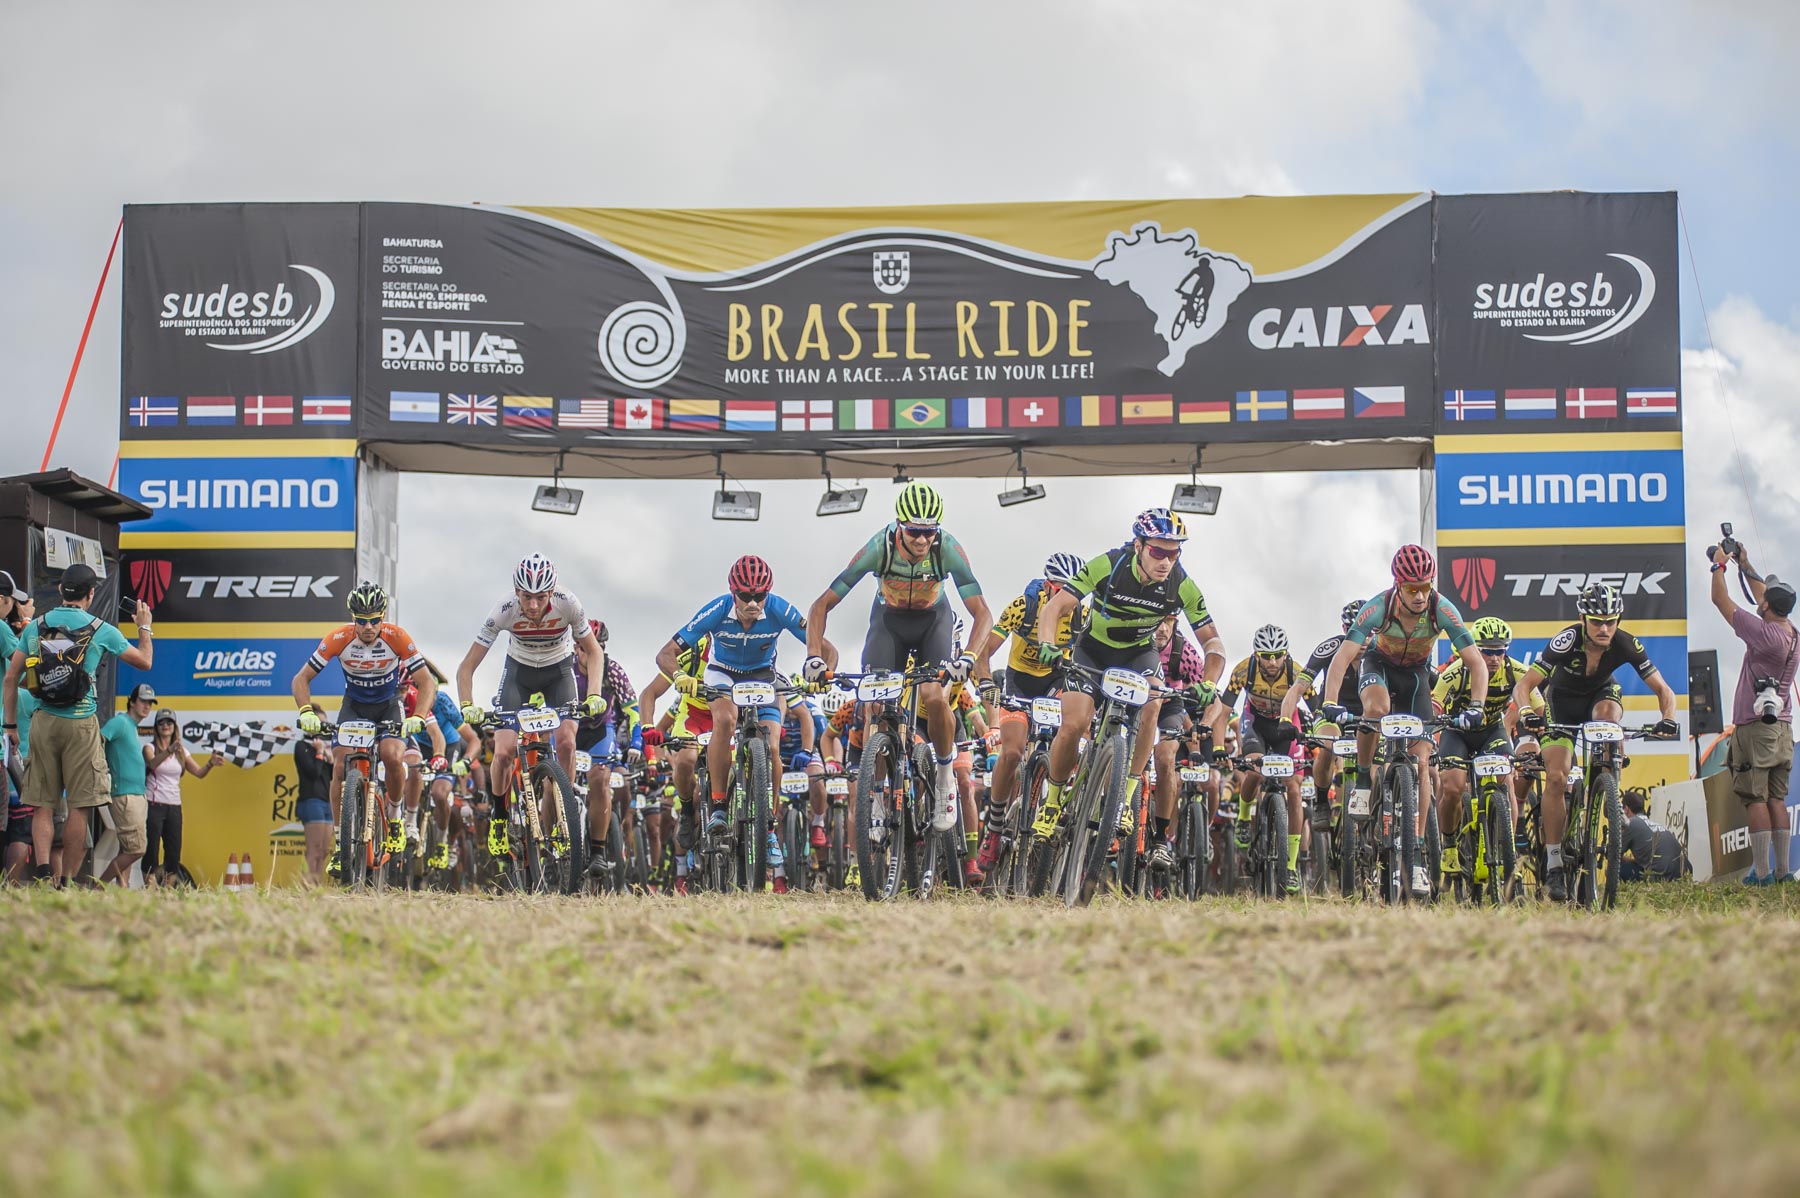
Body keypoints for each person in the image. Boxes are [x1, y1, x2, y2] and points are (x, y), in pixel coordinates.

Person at [806, 482, 993, 834]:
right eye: (914, 532)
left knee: (934, 696)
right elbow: (821, 605)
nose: (922, 541)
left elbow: (983, 614)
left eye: (928, 532)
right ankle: (876, 798)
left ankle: (942, 776)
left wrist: (967, 657)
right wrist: (814, 657)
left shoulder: (947, 549)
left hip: (931, 623)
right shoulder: (878, 547)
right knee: (876, 705)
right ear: (898, 526)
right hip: (888, 624)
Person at [1033, 509, 1226, 842]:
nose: (1166, 561)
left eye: (1174, 552)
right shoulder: (1107, 565)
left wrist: (1209, 681)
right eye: (1158, 551)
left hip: (1138, 653)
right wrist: (1047, 643)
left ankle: (1124, 799)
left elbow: (1213, 642)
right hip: (1093, 650)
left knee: (1153, 700)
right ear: (1138, 546)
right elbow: (1055, 608)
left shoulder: (1181, 584)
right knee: (1075, 724)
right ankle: (1052, 802)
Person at [1319, 544, 1488, 898]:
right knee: (1376, 710)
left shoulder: (1442, 608)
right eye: (1412, 588)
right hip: (1379, 666)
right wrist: (1329, 704)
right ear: (1398, 585)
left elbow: (1476, 663)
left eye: (1425, 586)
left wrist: (1476, 706)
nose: (1420, 595)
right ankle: (1364, 779)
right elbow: (1341, 659)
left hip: (1415, 678)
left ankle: (1416, 860)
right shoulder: (1378, 607)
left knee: (1423, 763)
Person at [1515, 583, 1680, 900]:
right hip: (1561, 702)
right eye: (1596, 621)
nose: (1604, 628)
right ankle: (1554, 865)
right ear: (1583, 618)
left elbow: (1664, 691)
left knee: (1608, 719)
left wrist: (1669, 718)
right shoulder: (1567, 640)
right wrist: (1526, 712)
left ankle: (1605, 779)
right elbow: (1524, 686)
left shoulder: (1625, 642)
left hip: (1602, 695)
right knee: (1556, 777)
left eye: (1610, 621)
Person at [656, 555, 827, 846]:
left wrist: (820, 670)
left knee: (772, 746)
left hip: (762, 676)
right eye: (745, 596)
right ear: (733, 593)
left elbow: (825, 647)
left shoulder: (779, 608)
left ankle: (770, 829)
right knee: (725, 719)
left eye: (760, 596)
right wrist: (679, 676)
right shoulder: (717, 609)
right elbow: (665, 654)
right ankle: (719, 806)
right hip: (722, 674)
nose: (753, 604)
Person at [2, 563, 155, 885]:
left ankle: (43, 872)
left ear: (60, 590)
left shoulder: (36, 626)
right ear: (91, 593)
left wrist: (11, 727)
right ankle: (67, 880)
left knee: (42, 804)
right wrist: (145, 627)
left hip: (43, 722)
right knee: (80, 806)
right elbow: (144, 661)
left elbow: (11, 677)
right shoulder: (101, 628)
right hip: (81, 722)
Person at [456, 553, 606, 851]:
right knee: (503, 751)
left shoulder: (569, 603)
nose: (533, 605)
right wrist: (466, 704)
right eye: (526, 597)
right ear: (516, 592)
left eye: (540, 597)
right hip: (519, 674)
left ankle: (562, 815)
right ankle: (499, 819)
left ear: (552, 592)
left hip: (558, 671)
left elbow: (595, 653)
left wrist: (594, 694)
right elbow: (467, 666)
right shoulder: (504, 609)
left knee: (566, 743)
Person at [293, 582, 435, 872]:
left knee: (393, 756)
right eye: (361, 620)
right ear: (353, 618)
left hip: (387, 703)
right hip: (355, 705)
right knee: (340, 766)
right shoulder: (339, 638)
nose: (368, 627)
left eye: (374, 620)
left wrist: (418, 715)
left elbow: (427, 682)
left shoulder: (397, 637)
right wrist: (306, 710)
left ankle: (395, 820)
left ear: (382, 617)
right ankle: (341, 844)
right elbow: (301, 679)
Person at [1706, 540, 1799, 884]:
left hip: (1754, 727)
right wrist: (1744, 564)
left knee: (1755, 799)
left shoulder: (1764, 635)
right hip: (1782, 728)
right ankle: (1782, 872)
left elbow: (1721, 601)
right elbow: (1765, 597)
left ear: (1768, 607)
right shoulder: (1790, 633)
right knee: (1777, 798)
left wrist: (1719, 566)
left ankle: (1760, 873)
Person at [143, 707, 230, 885]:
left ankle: (168, 890)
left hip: (174, 805)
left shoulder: (182, 751)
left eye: (169, 722)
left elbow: (198, 772)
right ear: (156, 726)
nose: (165, 726)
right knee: (151, 848)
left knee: (173, 851)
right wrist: (168, 751)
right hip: (154, 804)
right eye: (161, 722)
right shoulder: (149, 747)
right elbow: (152, 764)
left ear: (175, 727)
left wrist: (211, 763)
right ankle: (149, 888)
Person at [96, 683, 157, 885]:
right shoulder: (121, 722)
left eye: (150, 703)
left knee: (127, 848)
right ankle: (99, 885)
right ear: (132, 702)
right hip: (125, 795)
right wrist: (100, 770)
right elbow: (98, 740)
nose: (147, 706)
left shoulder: (129, 726)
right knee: (136, 849)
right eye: (143, 701)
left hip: (136, 795)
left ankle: (123, 889)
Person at [293, 728, 334, 885]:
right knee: (314, 848)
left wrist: (330, 761)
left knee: (323, 851)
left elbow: (330, 777)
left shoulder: (324, 749)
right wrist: (318, 753)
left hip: (326, 802)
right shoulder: (301, 746)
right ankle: (307, 885)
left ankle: (317, 884)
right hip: (311, 801)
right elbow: (313, 772)